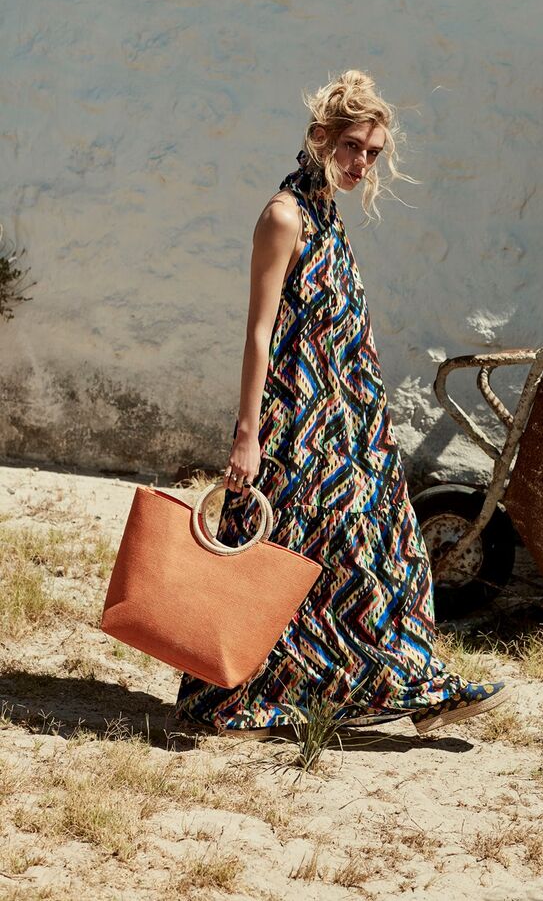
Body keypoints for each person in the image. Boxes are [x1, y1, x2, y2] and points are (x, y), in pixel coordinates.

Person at [175, 69, 510, 738]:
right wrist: (247, 435)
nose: (362, 163)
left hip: (349, 429)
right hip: (296, 428)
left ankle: (412, 685)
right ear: (321, 137)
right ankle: (238, 695)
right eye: (354, 146)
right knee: (295, 561)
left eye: (373, 153)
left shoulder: (327, 216)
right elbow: (259, 332)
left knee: (385, 553)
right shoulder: (284, 217)